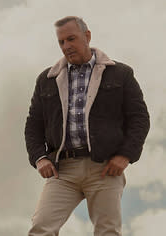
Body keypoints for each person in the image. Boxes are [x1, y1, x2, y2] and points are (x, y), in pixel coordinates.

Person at [24, 16, 149, 236]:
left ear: (87, 36)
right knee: (41, 227)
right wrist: (39, 157)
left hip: (104, 167)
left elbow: (139, 118)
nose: (66, 46)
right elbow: (33, 124)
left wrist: (125, 155)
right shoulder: (47, 79)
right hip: (62, 170)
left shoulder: (121, 73)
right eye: (61, 42)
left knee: (107, 231)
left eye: (71, 39)